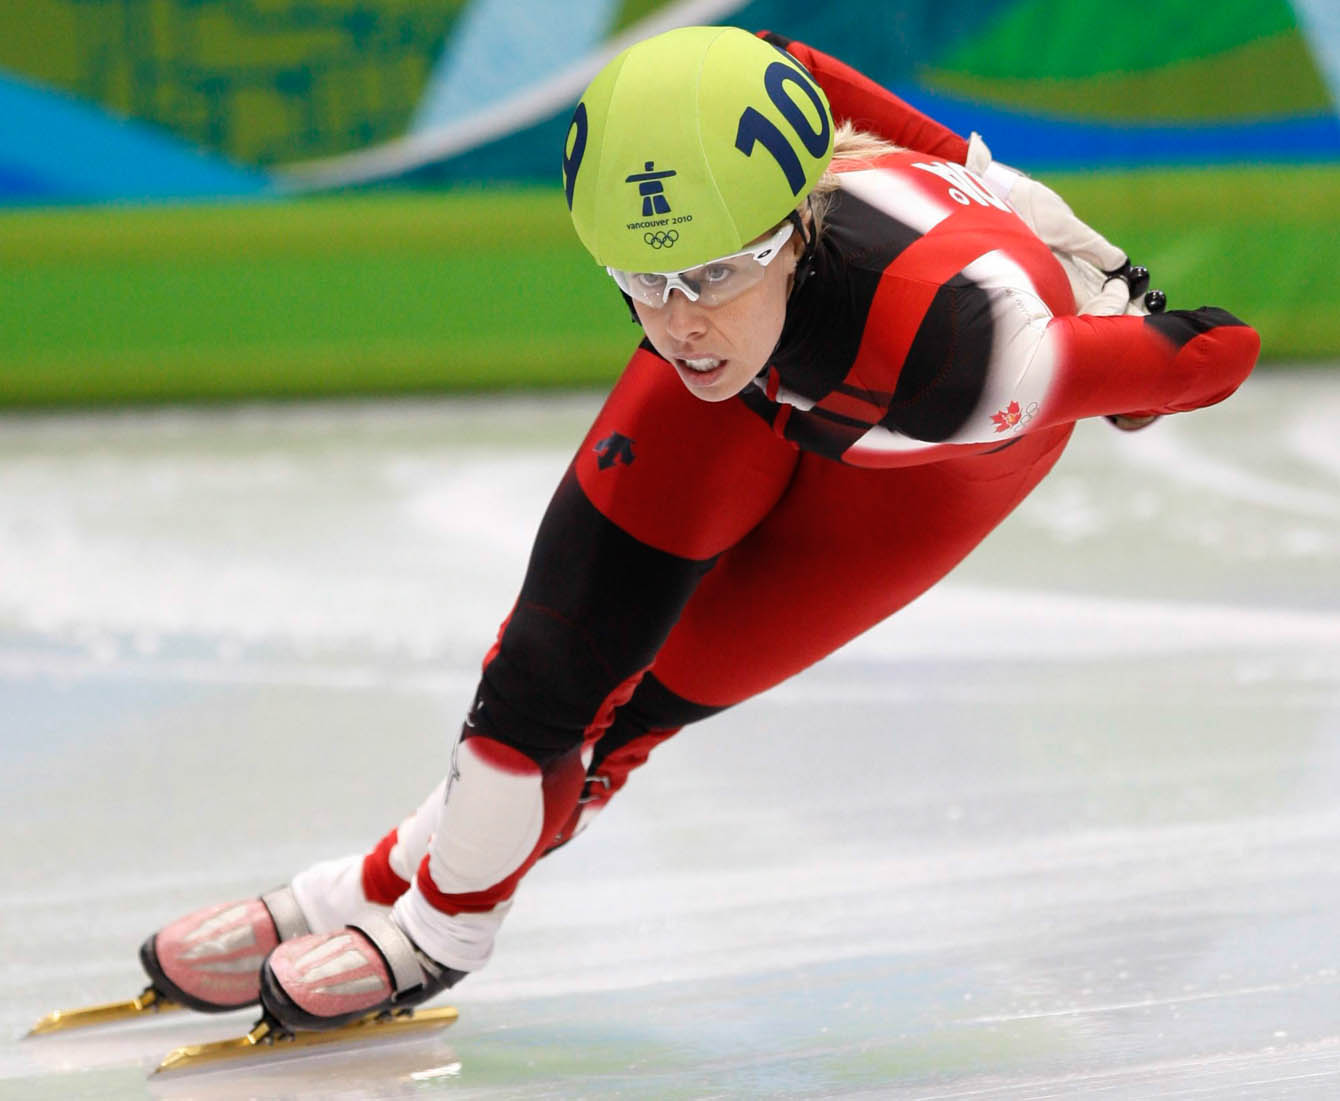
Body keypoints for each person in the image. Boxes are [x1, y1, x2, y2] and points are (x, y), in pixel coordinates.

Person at [137, 26, 1259, 1031]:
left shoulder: (982, 354)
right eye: (642, 279)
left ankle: (432, 937)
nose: (679, 325)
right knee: (542, 676)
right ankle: (357, 894)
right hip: (767, 384)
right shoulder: (704, 299)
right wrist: (975, 169)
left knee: (636, 709)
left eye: (713, 274)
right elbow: (784, 59)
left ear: (794, 228)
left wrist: (1113, 295)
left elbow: (1220, 349)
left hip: (915, 464)